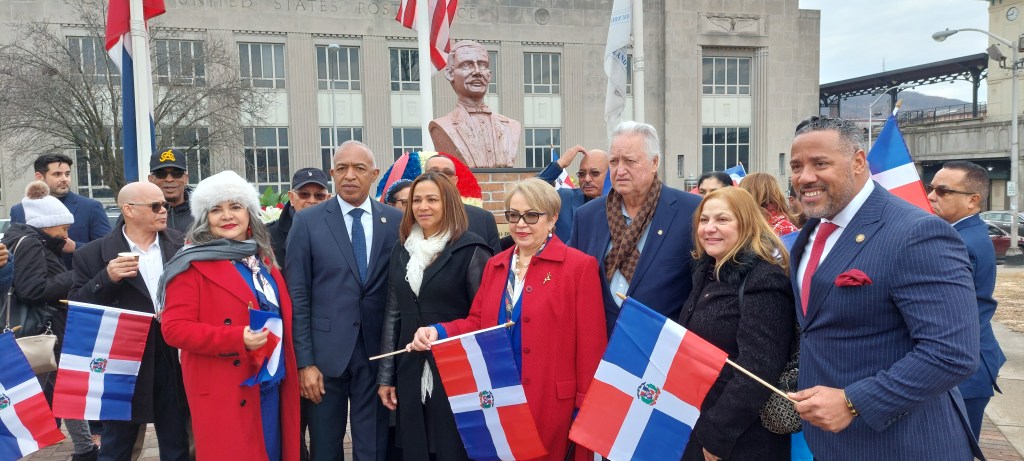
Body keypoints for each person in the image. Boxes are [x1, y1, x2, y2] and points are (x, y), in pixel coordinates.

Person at [786, 116, 982, 460]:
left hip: (903, 443)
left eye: (820, 163)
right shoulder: (812, 232)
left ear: (858, 162)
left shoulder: (917, 232)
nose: (804, 177)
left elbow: (952, 353)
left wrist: (853, 402)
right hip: (831, 443)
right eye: (796, 166)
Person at [410, 178, 607, 461]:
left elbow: (591, 346)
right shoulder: (496, 265)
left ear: (553, 218)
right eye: (513, 215)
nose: (521, 224)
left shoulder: (578, 267)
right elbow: (478, 322)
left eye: (531, 215)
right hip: (500, 396)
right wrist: (438, 331)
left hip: (552, 403)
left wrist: (585, 407)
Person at [159, 170, 301, 460]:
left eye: (235, 206)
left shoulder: (262, 259)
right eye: (216, 210)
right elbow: (174, 329)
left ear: (249, 213)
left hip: (269, 385)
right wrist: (236, 338)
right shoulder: (190, 265)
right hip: (225, 389)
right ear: (205, 218)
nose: (227, 216)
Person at [286, 140, 402, 461]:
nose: (349, 175)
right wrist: (305, 363)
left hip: (376, 354)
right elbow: (298, 295)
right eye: (342, 168)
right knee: (325, 447)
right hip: (324, 358)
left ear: (374, 174)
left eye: (359, 168)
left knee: (373, 447)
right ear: (332, 173)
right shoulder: (308, 222)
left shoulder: (394, 221)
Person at [69, 182, 190, 461]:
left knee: (177, 440)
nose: (164, 210)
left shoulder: (183, 244)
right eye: (155, 206)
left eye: (165, 204)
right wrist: (106, 278)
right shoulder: (92, 253)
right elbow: (77, 307)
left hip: (172, 352)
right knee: (117, 443)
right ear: (129, 210)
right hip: (122, 358)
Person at [377, 172, 493, 461]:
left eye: (432, 199)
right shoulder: (402, 249)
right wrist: (386, 376)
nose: (422, 207)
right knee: (416, 447)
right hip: (409, 365)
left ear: (448, 203)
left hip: (456, 369)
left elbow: (484, 318)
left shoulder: (471, 249)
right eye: (416, 200)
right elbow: (393, 313)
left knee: (453, 447)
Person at [677, 187, 794, 460]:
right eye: (704, 220)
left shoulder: (764, 280)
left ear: (746, 224)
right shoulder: (706, 272)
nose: (709, 228)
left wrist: (717, 435)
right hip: (700, 421)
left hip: (740, 439)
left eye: (722, 219)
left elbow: (757, 370)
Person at [570, 121, 702, 334]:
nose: (620, 170)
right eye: (614, 161)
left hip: (660, 344)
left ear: (654, 162)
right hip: (600, 342)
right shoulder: (587, 216)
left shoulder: (691, 211)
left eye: (629, 161)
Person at [3, 181, 96, 460]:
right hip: (43, 331)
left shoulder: (26, 239)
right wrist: (75, 276)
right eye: (63, 228)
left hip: (42, 330)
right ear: (46, 225)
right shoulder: (33, 244)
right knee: (29, 399)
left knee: (62, 387)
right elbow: (32, 290)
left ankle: (85, 449)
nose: (66, 235)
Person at [927, 160, 1005, 441]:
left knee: (951, 448)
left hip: (963, 370)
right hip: (970, 362)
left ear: (973, 200)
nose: (931, 196)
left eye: (943, 191)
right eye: (931, 188)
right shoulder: (964, 233)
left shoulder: (959, 241)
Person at [428, 40, 521, 168]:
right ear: (450, 74)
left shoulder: (511, 126)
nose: (477, 71)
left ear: (489, 75)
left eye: (483, 65)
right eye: (467, 65)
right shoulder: (442, 126)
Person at [11, 153, 111, 268]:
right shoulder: (19, 210)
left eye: (67, 174)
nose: (64, 179)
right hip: (32, 276)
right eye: (57, 174)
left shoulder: (90, 207)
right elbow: (13, 250)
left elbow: (108, 248)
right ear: (39, 176)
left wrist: (75, 247)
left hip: (76, 276)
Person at [424, 154, 502, 253]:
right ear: (423, 177)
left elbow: (495, 260)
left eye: (447, 173)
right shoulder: (414, 217)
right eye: (434, 172)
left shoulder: (483, 219)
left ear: (455, 180)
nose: (441, 177)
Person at [536, 144, 610, 242]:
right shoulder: (565, 198)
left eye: (594, 173)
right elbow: (530, 192)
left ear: (610, 173)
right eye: (582, 174)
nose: (587, 179)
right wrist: (560, 164)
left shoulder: (620, 205)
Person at [269, 168, 331, 266]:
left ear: (327, 199)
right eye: (304, 194)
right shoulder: (269, 235)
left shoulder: (339, 231)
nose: (312, 201)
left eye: (319, 196)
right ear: (291, 197)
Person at [148, 149, 193, 236]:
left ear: (186, 178)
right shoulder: (139, 213)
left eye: (177, 173)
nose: (169, 179)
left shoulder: (203, 212)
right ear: (151, 179)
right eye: (161, 174)